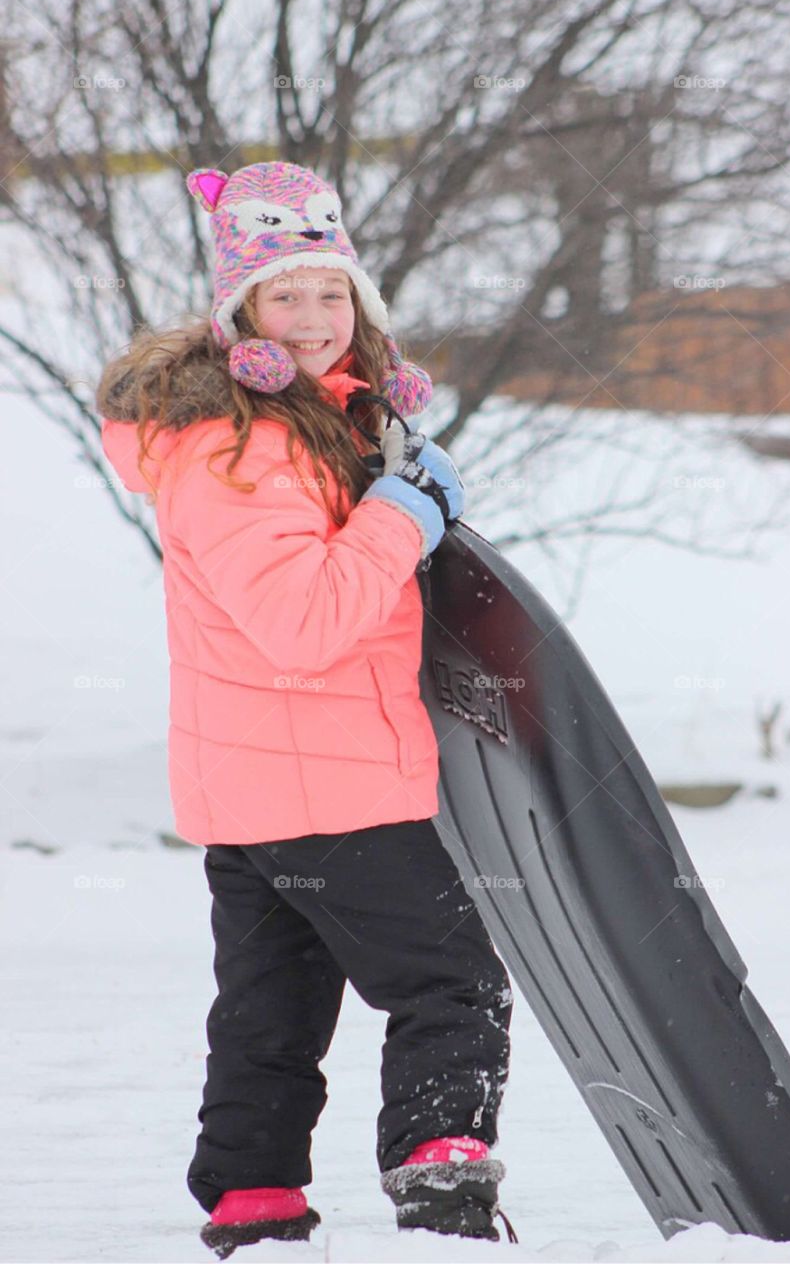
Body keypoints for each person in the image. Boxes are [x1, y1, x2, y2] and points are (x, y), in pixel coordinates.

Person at [96, 160, 515, 1259]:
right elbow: (302, 621)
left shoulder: (299, 425)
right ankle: (442, 1198)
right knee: (452, 982)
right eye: (290, 294)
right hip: (330, 783)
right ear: (245, 317)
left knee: (271, 1014)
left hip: (256, 790)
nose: (320, 317)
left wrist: (391, 492)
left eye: (336, 292)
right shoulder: (243, 447)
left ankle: (254, 1204)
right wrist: (404, 514)